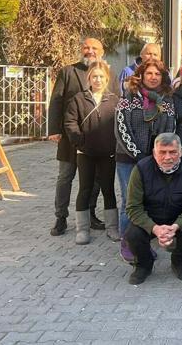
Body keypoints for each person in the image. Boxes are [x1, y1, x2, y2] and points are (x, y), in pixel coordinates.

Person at [115, 59, 176, 263]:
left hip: (154, 160)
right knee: (129, 202)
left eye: (157, 74)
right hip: (128, 158)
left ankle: (141, 243)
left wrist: (158, 156)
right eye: (149, 73)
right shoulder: (128, 97)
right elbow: (121, 129)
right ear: (141, 75)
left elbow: (170, 128)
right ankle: (127, 244)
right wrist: (138, 154)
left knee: (148, 203)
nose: (153, 77)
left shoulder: (166, 100)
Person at [124, 133, 182, 285]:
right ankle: (143, 265)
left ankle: (180, 261)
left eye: (173, 152)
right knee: (132, 234)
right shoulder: (141, 169)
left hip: (179, 218)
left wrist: (175, 226)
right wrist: (154, 228)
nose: (168, 157)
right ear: (154, 153)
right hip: (151, 218)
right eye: (162, 152)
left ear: (180, 152)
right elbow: (133, 207)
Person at [48, 37, 105, 236]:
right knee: (65, 176)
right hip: (70, 137)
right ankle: (60, 217)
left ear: (102, 51)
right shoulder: (68, 71)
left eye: (94, 48)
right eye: (86, 47)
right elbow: (56, 100)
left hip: (96, 137)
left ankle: (89, 214)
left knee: (94, 178)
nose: (90, 51)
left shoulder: (107, 74)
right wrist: (54, 129)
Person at [63, 61, 119, 244]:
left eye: (101, 76)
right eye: (94, 76)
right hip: (85, 154)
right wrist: (80, 141)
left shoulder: (114, 100)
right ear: (89, 78)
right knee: (85, 189)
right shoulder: (79, 99)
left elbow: (120, 125)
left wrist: (114, 145)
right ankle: (82, 229)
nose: (98, 79)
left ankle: (112, 228)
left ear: (107, 79)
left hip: (108, 154)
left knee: (108, 190)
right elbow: (70, 122)